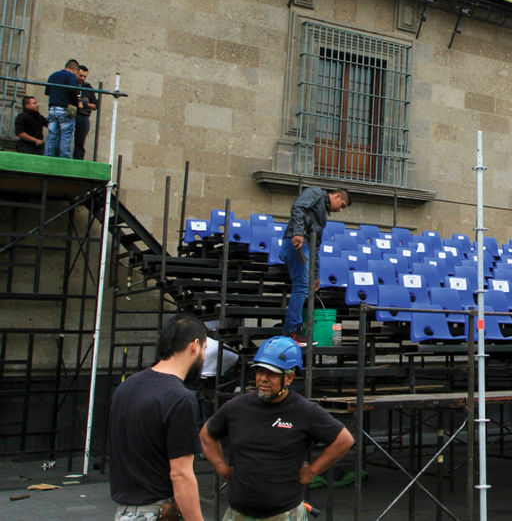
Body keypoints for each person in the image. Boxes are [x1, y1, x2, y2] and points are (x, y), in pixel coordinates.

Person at [200, 336, 354, 521]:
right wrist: (223, 469)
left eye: (271, 373)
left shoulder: (304, 411)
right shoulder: (236, 407)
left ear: (289, 378)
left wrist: (311, 472)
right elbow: (206, 434)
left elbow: (344, 440)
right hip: (238, 513)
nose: (263, 379)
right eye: (260, 371)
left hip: (284, 513)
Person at [109, 313, 207, 521]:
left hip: (125, 512)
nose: (204, 356)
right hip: (155, 512)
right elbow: (181, 474)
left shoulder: (126, 387)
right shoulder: (180, 399)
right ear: (194, 346)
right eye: (204, 349)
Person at [281, 187, 350, 343]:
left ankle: (292, 328)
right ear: (336, 196)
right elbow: (298, 206)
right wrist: (298, 232)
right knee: (301, 286)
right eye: (342, 205)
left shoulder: (322, 215)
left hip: (305, 245)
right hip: (297, 243)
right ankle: (292, 330)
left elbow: (316, 245)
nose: (340, 210)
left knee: (302, 286)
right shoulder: (317, 193)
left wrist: (315, 274)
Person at [43, 59, 81, 159]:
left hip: (52, 109)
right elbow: (73, 90)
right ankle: (64, 158)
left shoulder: (53, 75)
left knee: (52, 134)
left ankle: (47, 157)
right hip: (64, 109)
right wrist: (77, 104)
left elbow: (47, 92)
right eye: (77, 72)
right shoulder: (70, 76)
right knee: (66, 135)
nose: (77, 75)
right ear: (74, 69)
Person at [73, 64, 98, 160]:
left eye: (85, 76)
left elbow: (95, 105)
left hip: (84, 115)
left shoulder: (88, 87)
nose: (82, 78)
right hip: (72, 114)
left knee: (80, 142)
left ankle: (77, 161)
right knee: (65, 139)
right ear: (76, 73)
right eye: (80, 75)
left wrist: (86, 104)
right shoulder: (71, 84)